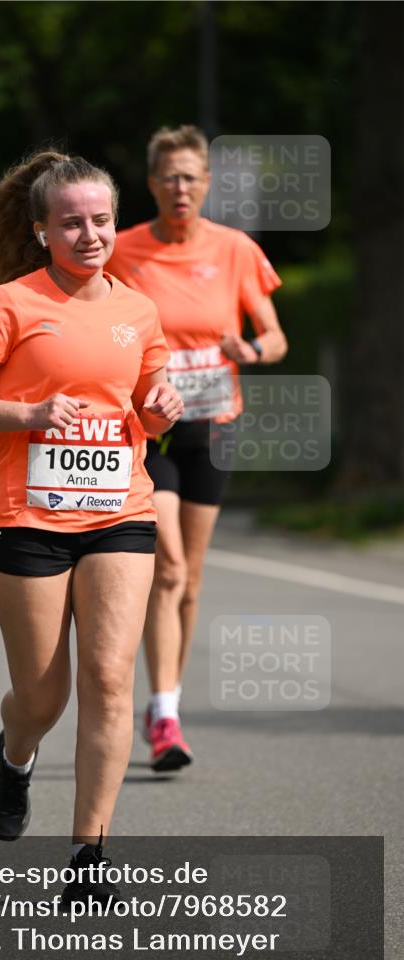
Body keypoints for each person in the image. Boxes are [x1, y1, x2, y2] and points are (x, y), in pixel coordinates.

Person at [0, 151, 182, 899]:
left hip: (119, 512)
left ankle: (87, 856)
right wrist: (30, 414)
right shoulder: (10, 302)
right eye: (70, 223)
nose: (89, 234)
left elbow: (147, 401)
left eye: (100, 220)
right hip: (26, 517)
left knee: (109, 681)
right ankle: (15, 757)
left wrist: (159, 409)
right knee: (44, 697)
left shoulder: (137, 309)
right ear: (41, 230)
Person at [110, 125, 288, 771]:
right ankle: (160, 716)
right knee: (169, 567)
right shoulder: (123, 251)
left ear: (205, 184)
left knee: (190, 584)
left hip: (213, 423)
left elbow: (274, 336)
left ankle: (168, 703)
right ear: (151, 184)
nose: (180, 188)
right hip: (150, 426)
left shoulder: (235, 248)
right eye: (168, 177)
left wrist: (252, 349)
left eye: (191, 177)